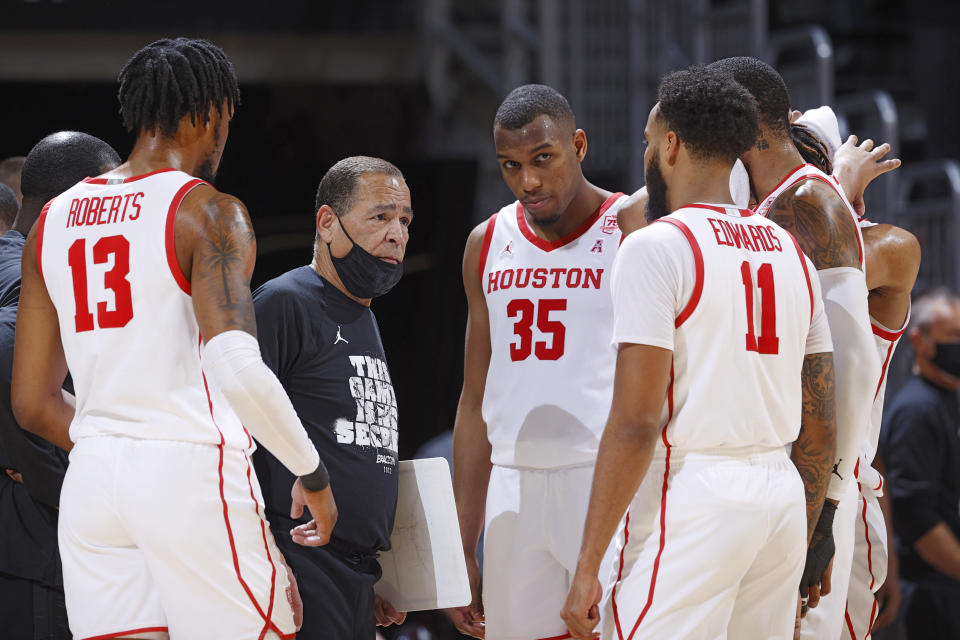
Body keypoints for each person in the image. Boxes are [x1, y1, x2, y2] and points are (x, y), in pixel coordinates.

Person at [11, 37, 336, 640]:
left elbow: (32, 401)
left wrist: (114, 438)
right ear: (208, 113)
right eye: (227, 124)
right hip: (188, 473)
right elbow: (236, 363)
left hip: (93, 484)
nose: (223, 142)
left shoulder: (52, 221)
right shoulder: (207, 211)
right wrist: (310, 473)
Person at [561, 65, 836, 640]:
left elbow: (637, 422)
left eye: (646, 141)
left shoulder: (656, 248)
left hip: (692, 495)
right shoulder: (792, 253)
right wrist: (804, 535)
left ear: (670, 145)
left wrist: (587, 565)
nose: (644, 155)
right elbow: (820, 427)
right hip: (779, 501)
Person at [449, 83, 640, 640]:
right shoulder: (485, 242)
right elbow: (474, 397)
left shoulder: (632, 228)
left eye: (542, 159)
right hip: (514, 486)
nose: (527, 181)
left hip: (602, 481)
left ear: (578, 145)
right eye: (510, 166)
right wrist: (463, 543)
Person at [707, 56, 881, 624]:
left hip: (814, 485)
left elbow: (850, 375)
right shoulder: (754, 204)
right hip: (771, 476)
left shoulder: (813, 205)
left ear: (753, 122)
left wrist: (825, 514)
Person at [252, 156, 409, 640]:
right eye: (380, 217)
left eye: (405, 220)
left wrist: (376, 580)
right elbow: (234, 442)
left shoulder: (366, 318)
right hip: (299, 563)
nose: (397, 234)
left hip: (355, 577)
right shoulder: (284, 302)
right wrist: (270, 564)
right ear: (327, 223)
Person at [788, 108, 921, 638]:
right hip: (767, 478)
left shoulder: (887, 245)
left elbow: (801, 260)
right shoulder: (748, 238)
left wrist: (837, 191)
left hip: (837, 493)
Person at [0, 131, 121, 639]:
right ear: (78, 198)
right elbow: (7, 345)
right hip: (39, 546)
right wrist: (62, 475)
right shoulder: (36, 268)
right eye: (109, 200)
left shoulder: (17, 256)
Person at [881, 288, 960, 639]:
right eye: (953, 337)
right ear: (920, 341)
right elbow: (917, 517)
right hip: (931, 593)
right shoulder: (916, 410)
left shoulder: (949, 399)